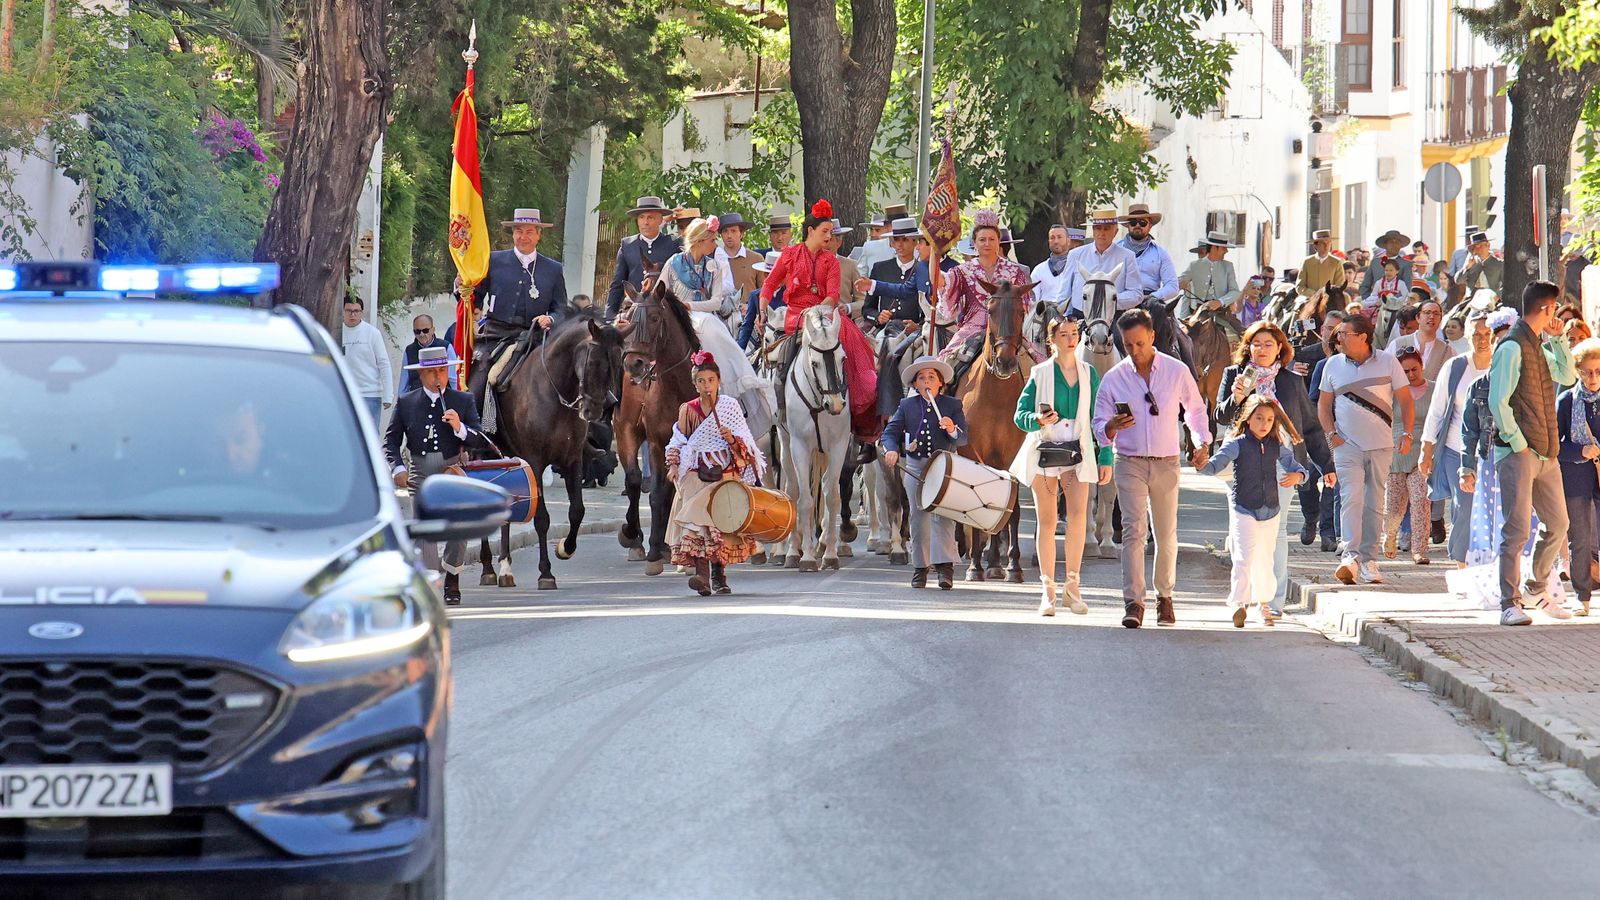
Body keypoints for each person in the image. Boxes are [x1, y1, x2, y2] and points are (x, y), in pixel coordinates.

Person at [1093, 308, 1213, 628]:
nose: (1134, 351)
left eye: (1139, 344)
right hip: (1129, 461)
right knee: (1134, 531)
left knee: (1166, 533)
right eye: (1128, 345)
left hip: (1166, 461)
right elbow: (1098, 424)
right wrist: (1112, 426)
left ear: (1152, 337)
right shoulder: (1114, 377)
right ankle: (1134, 602)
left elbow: (1195, 410)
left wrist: (1202, 441)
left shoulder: (1175, 371)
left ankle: (1165, 596)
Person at [1215, 320, 1335, 609]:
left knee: (1276, 530)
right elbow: (1220, 416)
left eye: (1269, 344)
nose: (1262, 349)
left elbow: (1310, 428)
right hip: (1242, 463)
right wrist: (1237, 395)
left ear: (1280, 348)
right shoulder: (1234, 375)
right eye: (1256, 343)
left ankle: (1273, 601)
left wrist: (1326, 465)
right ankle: (1244, 596)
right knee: (1242, 531)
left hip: (1281, 463)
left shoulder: (1291, 382)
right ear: (1248, 348)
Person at [1011, 313, 1114, 616]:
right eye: (1063, 335)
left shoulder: (1088, 372)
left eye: (1074, 334)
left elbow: (1098, 418)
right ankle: (1047, 590)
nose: (1071, 339)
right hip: (1045, 450)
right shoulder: (1040, 373)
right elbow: (1020, 415)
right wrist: (1037, 419)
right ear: (1051, 340)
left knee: (1079, 517)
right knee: (1047, 519)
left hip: (1078, 450)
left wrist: (1105, 455)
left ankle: (1073, 585)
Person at [1488, 280, 1577, 624]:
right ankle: (1509, 603)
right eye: (1555, 308)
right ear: (1546, 308)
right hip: (1519, 451)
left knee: (1558, 523)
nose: (1556, 314)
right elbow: (1499, 401)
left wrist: (1558, 339)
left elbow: (1567, 375)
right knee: (1517, 528)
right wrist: (1518, 442)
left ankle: (1535, 588)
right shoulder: (1511, 347)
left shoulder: (1540, 344)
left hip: (1545, 451)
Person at [758, 199, 880, 442]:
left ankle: (854, 413)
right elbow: (770, 284)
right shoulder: (790, 255)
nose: (828, 236)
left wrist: (818, 312)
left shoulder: (831, 261)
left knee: (852, 353)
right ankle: (781, 407)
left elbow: (833, 296)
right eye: (824, 231)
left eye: (831, 232)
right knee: (781, 359)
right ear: (810, 231)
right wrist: (763, 308)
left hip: (823, 316)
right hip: (796, 316)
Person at [385, 346, 491, 604]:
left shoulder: (462, 400)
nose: (438, 377)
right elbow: (390, 442)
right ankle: (431, 584)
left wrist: (460, 428)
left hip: (451, 469)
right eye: (431, 372)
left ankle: (452, 574)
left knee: (459, 526)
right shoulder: (407, 402)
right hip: (419, 472)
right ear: (421, 375)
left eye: (442, 371)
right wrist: (397, 468)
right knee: (425, 530)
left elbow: (481, 440)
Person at [1318, 313, 1415, 585]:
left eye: (1344, 334)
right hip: (1346, 446)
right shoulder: (1332, 365)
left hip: (1382, 446)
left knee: (1374, 503)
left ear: (1363, 337)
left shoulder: (1388, 361)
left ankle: (1369, 560)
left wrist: (1406, 433)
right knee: (1351, 497)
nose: (1338, 338)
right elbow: (1324, 405)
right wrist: (1331, 435)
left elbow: (1406, 401)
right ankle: (1349, 557)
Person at [1198, 395, 1307, 627]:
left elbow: (1296, 467)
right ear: (1247, 419)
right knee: (1244, 557)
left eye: (1269, 419)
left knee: (1265, 560)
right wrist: (1200, 462)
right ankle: (1239, 604)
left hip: (1271, 509)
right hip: (1244, 508)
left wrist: (1299, 476)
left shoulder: (1277, 445)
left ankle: (1264, 603)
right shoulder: (1236, 444)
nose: (1264, 424)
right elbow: (1213, 466)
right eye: (1258, 418)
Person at [661, 217, 776, 437]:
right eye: (712, 240)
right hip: (675, 317)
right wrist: (676, 308)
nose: (716, 245)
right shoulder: (673, 263)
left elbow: (715, 301)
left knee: (713, 328)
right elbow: (661, 290)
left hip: (702, 314)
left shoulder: (713, 266)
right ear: (700, 241)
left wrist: (690, 305)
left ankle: (731, 387)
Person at [663, 351, 766, 596]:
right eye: (701, 381)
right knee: (697, 525)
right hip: (697, 474)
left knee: (721, 526)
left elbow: (747, 445)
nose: (706, 385)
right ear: (695, 383)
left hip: (724, 473)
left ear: (718, 381)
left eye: (710, 380)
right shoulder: (688, 410)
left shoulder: (729, 406)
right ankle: (702, 576)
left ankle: (719, 576)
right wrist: (674, 464)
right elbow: (679, 440)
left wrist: (732, 439)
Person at [469, 208, 570, 416]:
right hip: (496, 336)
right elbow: (474, 299)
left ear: (538, 234)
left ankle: (591, 439)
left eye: (529, 231)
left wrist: (550, 318)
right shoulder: (493, 261)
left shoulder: (553, 268)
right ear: (513, 233)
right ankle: (475, 437)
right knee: (476, 385)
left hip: (535, 338)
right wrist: (462, 289)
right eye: (518, 231)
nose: (523, 237)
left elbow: (561, 307)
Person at [881, 355, 968, 590]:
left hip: (944, 467)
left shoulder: (952, 405)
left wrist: (952, 429)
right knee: (918, 517)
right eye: (922, 378)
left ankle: (944, 569)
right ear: (915, 384)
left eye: (932, 377)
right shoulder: (906, 405)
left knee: (944, 516)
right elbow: (890, 432)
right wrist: (890, 449)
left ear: (940, 382)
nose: (927, 381)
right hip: (916, 467)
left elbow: (963, 438)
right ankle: (920, 568)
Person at [1420, 310, 1494, 565]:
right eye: (1477, 335)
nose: (1482, 340)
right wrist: (1426, 448)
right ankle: (1462, 564)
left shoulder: (1503, 365)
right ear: (1467, 337)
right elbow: (1437, 410)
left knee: (1491, 509)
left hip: (1494, 451)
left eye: (1487, 334)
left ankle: (1490, 564)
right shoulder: (1455, 367)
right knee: (1464, 507)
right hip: (1456, 449)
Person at [937, 208, 1033, 367]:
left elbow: (1023, 306)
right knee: (945, 363)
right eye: (982, 240)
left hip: (1008, 330)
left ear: (998, 241)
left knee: (1038, 360)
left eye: (992, 239)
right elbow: (941, 282)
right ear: (974, 243)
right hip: (971, 330)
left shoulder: (1014, 271)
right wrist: (936, 253)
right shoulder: (963, 271)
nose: (987, 243)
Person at [1557, 336, 1600, 617]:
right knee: (1580, 538)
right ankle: (1582, 595)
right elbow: (1555, 446)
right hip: (1577, 478)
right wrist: (1580, 450)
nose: (1593, 377)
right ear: (1577, 371)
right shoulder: (1566, 400)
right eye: (1586, 371)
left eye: (1598, 371)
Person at [1382, 349, 1435, 564]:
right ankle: (1390, 537)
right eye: (1405, 371)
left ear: (1422, 367)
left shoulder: (1433, 389)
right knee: (1394, 506)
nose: (1411, 374)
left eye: (1415, 369)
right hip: (1397, 452)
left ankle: (1420, 549)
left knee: (1421, 501)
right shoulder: (1393, 390)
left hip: (1422, 452)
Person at [605, 196, 682, 318]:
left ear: (660, 220)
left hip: (665, 311)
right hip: (633, 309)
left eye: (650, 217)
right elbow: (618, 284)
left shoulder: (673, 244)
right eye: (641, 217)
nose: (645, 222)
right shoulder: (627, 245)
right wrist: (609, 316)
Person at [1058, 209, 1142, 314]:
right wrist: (1064, 317)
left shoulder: (1127, 256)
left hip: (1113, 317)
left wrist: (1110, 299)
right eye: (1098, 228)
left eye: (1107, 229)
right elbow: (1064, 292)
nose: (1102, 233)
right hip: (1080, 316)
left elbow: (1136, 294)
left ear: (1115, 232)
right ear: (1093, 231)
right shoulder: (1075, 255)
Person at [860, 217, 929, 331]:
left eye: (905, 240)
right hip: (883, 331)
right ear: (891, 243)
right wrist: (878, 317)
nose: (899, 245)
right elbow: (867, 309)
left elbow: (929, 310)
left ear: (915, 242)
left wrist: (918, 327)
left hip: (912, 335)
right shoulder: (880, 268)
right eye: (896, 240)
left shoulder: (923, 270)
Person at [339, 297, 394, 428]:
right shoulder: (336, 332)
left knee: (370, 435)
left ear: (361, 312)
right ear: (343, 311)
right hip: (344, 395)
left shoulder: (372, 333)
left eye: (356, 311)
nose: (352, 314)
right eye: (349, 311)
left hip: (369, 394)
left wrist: (388, 395)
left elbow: (384, 363)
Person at [1116, 202, 1179, 304]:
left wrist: (1152, 297)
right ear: (1128, 225)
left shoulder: (1161, 253)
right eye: (1133, 222)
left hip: (1150, 303)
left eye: (1142, 222)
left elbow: (1172, 285)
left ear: (1150, 225)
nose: (1137, 225)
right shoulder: (1115, 249)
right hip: (1120, 301)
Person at [1178, 232, 1242, 319]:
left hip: (1222, 314)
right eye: (1224, 248)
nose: (1226, 251)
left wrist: (1220, 302)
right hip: (1199, 314)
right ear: (1214, 248)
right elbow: (1179, 282)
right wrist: (1180, 284)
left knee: (1240, 331)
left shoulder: (1228, 266)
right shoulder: (1194, 266)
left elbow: (1235, 291)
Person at [398, 314, 461, 396]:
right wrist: (400, 403)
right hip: (417, 398)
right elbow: (404, 382)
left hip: (442, 396)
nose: (421, 334)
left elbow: (453, 379)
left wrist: (456, 399)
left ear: (433, 330)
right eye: (417, 331)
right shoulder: (409, 350)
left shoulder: (446, 347)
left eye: (425, 330)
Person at [714, 213, 764, 315]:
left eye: (733, 231)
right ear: (721, 235)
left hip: (750, 317)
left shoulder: (756, 258)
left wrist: (751, 306)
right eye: (725, 231)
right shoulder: (714, 259)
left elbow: (764, 292)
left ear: (741, 234)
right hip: (721, 316)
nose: (729, 235)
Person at [855, 202, 908, 277]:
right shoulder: (870, 247)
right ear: (886, 227)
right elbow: (861, 275)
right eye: (894, 224)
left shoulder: (916, 250)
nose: (899, 228)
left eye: (903, 224)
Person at [1360, 229, 1415, 298]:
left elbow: (1407, 288)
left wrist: (1392, 302)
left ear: (1400, 246)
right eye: (1391, 242)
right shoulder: (1375, 262)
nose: (1394, 245)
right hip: (1374, 302)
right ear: (1385, 245)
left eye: (1397, 243)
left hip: (1396, 304)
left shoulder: (1406, 264)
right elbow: (1365, 285)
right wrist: (1368, 299)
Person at [1030, 224, 1075, 307]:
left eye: (1059, 237)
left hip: (1073, 317)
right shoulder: (1039, 270)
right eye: (1052, 238)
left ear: (1068, 241)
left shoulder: (1077, 267)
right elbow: (1032, 301)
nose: (1056, 241)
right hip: (1046, 317)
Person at [1296, 230, 1345, 300]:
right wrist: (1314, 294)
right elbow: (1300, 286)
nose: (1326, 246)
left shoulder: (1336, 262)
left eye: (1328, 243)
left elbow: (1340, 284)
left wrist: (1329, 295)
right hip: (1309, 299)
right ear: (1315, 245)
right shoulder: (1307, 262)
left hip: (1330, 300)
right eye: (1323, 243)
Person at [1460, 230, 1504, 296]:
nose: (1478, 249)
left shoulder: (1499, 264)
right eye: (1474, 247)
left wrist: (1497, 295)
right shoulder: (1470, 262)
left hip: (1491, 299)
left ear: (1488, 245)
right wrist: (1467, 267)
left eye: (1480, 246)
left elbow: (1506, 286)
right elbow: (1458, 281)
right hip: (1472, 298)